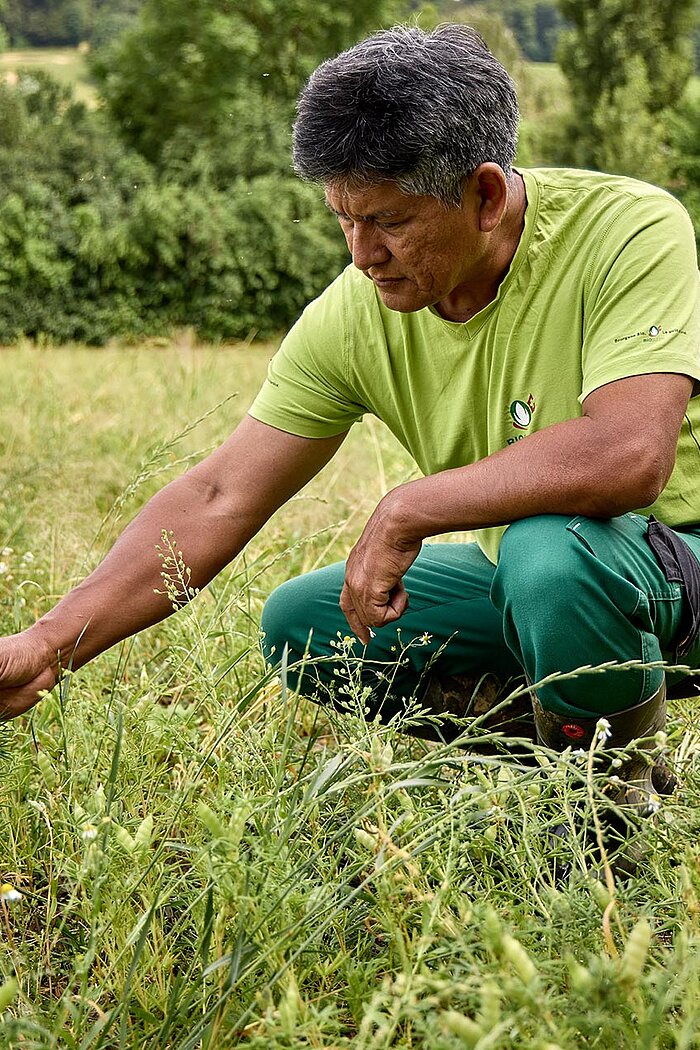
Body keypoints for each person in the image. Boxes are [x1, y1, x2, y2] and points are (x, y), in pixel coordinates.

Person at [1, 26, 699, 848]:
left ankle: (606, 821)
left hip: (674, 564)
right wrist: (48, 643)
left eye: (390, 221)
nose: (364, 254)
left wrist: (409, 507)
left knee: (549, 554)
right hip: (545, 585)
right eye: (344, 220)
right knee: (304, 627)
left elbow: (627, 455)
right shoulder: (357, 313)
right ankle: (571, 742)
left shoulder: (627, 230)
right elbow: (219, 495)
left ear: (485, 196)